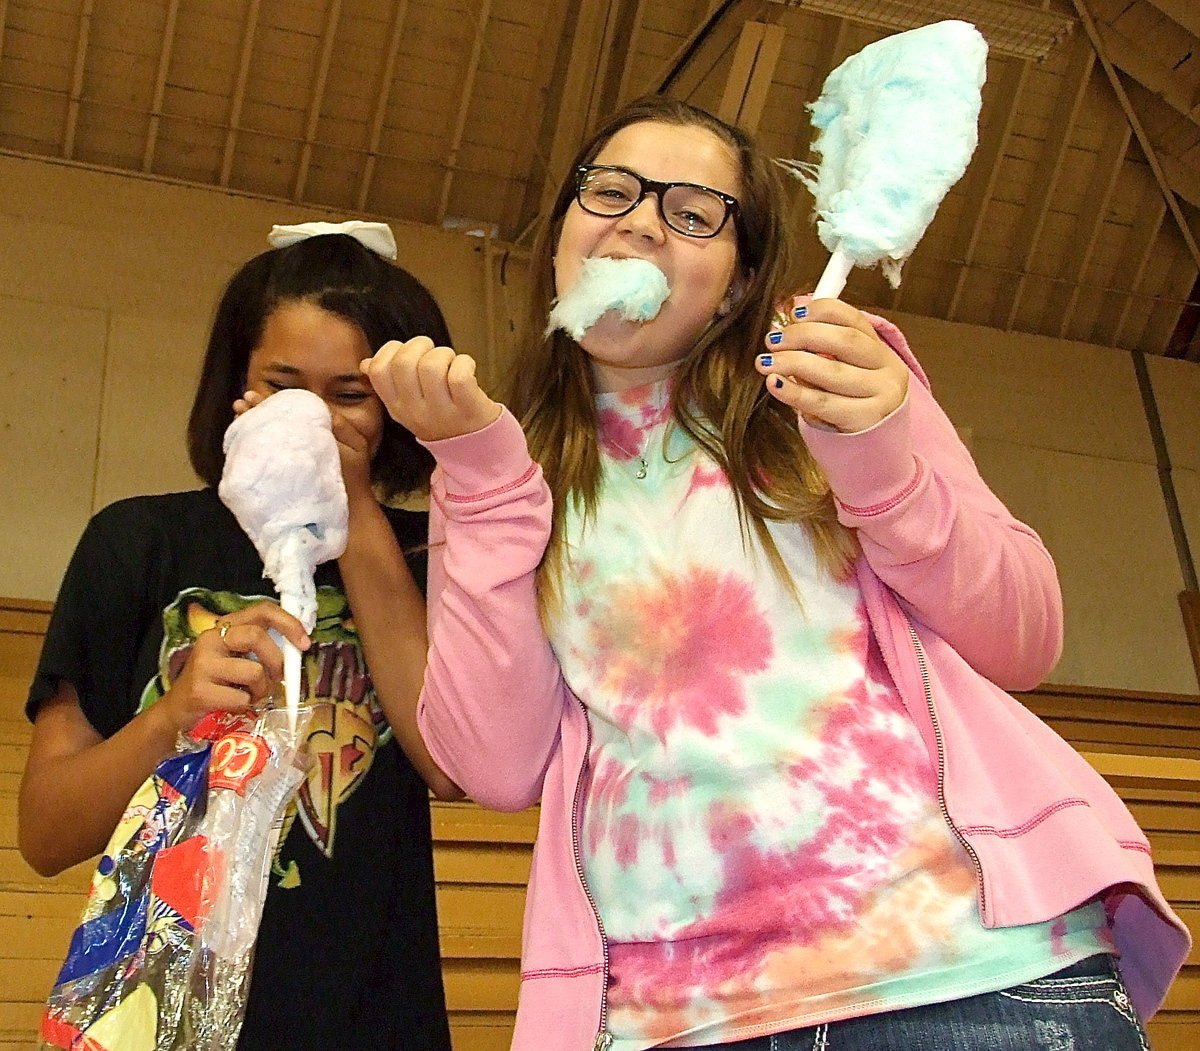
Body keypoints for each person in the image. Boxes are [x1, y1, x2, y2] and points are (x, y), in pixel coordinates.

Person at [364, 97, 1191, 1051]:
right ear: (561, 242)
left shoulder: (834, 381)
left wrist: (880, 461)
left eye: (691, 211)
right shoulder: (504, 469)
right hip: (671, 1018)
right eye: (612, 192)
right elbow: (492, 765)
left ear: (733, 284)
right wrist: (475, 478)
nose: (637, 220)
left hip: (970, 980)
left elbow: (1025, 633)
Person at [20, 224, 459, 1050]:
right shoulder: (135, 542)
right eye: (285, 386)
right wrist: (171, 715)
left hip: (373, 1013)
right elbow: (46, 833)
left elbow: (448, 763)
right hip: (157, 1012)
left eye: (349, 394)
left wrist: (353, 507)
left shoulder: (430, 555)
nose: (317, 419)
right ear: (239, 391)